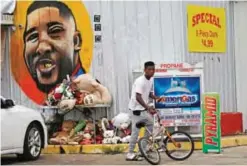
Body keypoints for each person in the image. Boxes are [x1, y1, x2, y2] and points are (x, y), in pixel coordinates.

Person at [23, 1, 85, 94]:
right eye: (33, 36)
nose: (42, 48)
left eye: (55, 31)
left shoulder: (86, 92)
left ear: (76, 41)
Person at [126, 61, 161, 161]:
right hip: (136, 110)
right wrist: (148, 107)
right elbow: (138, 97)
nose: (151, 71)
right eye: (149, 69)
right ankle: (130, 153)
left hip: (143, 110)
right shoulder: (140, 81)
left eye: (153, 69)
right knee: (135, 132)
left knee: (150, 125)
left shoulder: (150, 80)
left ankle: (142, 149)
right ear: (144, 70)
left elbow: (148, 93)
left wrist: (156, 97)